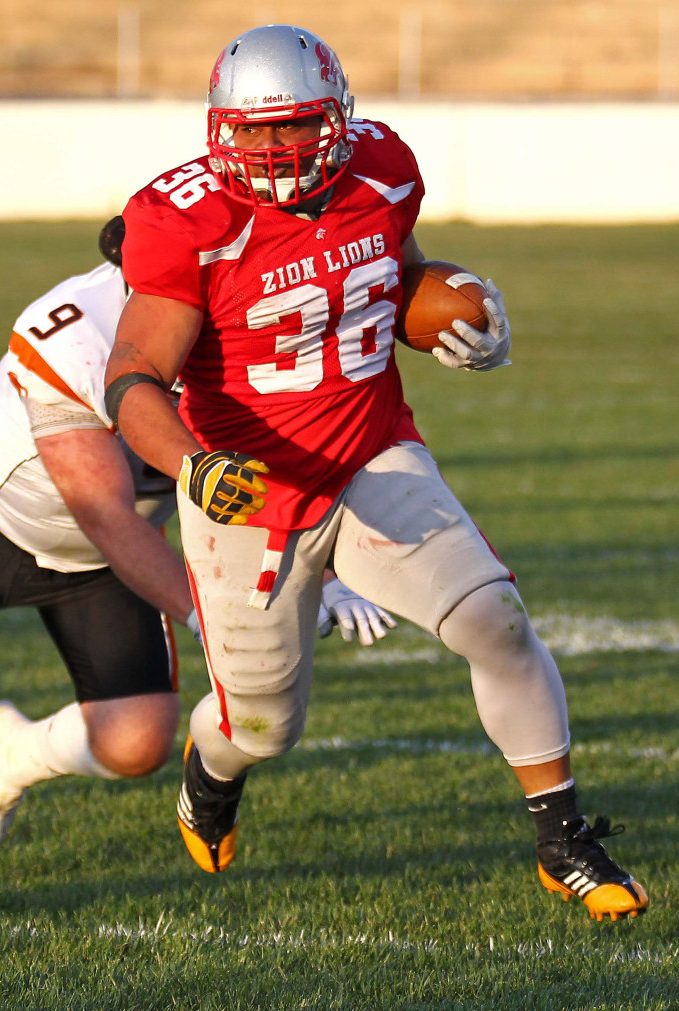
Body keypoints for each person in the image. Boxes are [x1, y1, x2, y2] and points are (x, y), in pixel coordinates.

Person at [103, 25, 648, 921]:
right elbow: (131, 377)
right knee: (265, 725)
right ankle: (214, 768)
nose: (274, 149)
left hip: (369, 453)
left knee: (496, 621)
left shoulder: (382, 168)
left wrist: (456, 318)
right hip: (248, 488)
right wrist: (192, 467)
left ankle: (563, 838)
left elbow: (398, 280)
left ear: (340, 119)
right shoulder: (183, 218)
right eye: (254, 131)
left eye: (296, 126)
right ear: (218, 128)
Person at [0, 216, 395, 854]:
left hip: (110, 564)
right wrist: (214, 619)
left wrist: (326, 569)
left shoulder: (251, 332)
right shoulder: (75, 336)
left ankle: (15, 752)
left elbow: (294, 461)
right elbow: (106, 516)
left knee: (136, 746)